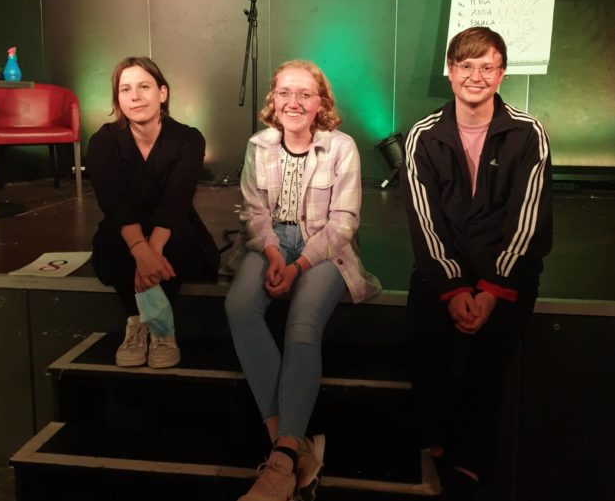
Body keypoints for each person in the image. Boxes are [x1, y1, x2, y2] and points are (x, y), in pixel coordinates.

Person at [400, 27, 552, 501]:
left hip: (505, 270)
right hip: (443, 266)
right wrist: (453, 288)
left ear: (502, 74)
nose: (476, 76)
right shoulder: (422, 136)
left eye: (487, 67)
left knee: (488, 359)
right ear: (449, 71)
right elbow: (424, 221)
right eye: (465, 66)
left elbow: (527, 221)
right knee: (425, 341)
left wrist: (490, 290)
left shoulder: (528, 133)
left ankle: (469, 466)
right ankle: (435, 442)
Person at [225, 59, 381, 501]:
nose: (293, 102)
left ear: (320, 104)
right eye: (284, 93)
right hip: (271, 243)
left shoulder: (341, 147)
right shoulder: (258, 146)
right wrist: (275, 254)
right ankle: (293, 450)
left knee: (302, 324)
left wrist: (297, 267)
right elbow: (254, 213)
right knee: (239, 307)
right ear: (273, 100)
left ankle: (279, 463)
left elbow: (343, 223)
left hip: (325, 247)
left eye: (304, 94)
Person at [87, 56, 220, 369]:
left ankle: (161, 329)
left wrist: (152, 252)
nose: (135, 96)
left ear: (162, 93)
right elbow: (114, 203)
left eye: (144, 87)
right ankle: (137, 321)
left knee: (178, 244)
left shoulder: (189, 138)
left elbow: (176, 201)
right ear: (118, 99)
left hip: (172, 226)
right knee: (114, 244)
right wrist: (140, 249)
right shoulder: (103, 141)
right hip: (124, 227)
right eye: (126, 89)